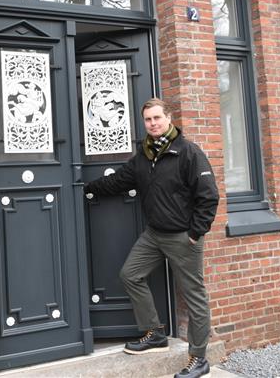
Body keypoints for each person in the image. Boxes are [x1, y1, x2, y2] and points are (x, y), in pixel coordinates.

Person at [84, 98, 219, 378]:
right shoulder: (144, 156)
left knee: (194, 297)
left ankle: (199, 358)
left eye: (157, 118)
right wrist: (86, 188)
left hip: (184, 237)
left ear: (168, 118)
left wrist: (195, 233)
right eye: (148, 120)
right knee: (130, 275)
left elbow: (209, 196)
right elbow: (120, 181)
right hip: (154, 235)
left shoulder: (188, 152)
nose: (153, 124)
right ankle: (155, 333)